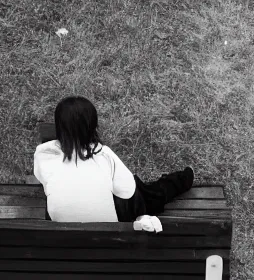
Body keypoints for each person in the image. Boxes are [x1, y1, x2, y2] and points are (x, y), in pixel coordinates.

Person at [33, 95, 194, 223]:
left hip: (61, 239)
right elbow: (127, 192)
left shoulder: (45, 155)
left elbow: (45, 181)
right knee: (143, 192)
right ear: (92, 127)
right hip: (110, 236)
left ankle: (172, 183)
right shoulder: (103, 155)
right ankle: (180, 180)